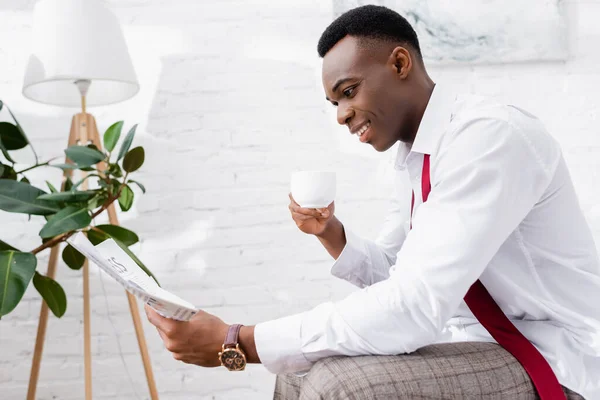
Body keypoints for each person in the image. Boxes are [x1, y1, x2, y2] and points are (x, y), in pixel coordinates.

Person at [145, 5, 600, 399]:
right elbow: (399, 276)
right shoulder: (413, 159)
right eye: (333, 102)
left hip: (552, 353)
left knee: (338, 386)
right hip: (480, 342)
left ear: (399, 62)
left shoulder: (489, 140)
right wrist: (333, 236)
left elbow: (412, 306)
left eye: (348, 92)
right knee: (303, 373)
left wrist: (239, 341)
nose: (341, 115)